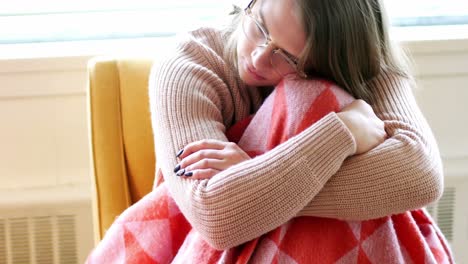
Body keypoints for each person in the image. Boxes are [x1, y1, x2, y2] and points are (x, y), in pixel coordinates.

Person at [149, 0, 444, 251]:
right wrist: (342, 131)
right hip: (198, 249)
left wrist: (253, 179)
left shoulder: (359, 64)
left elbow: (421, 174)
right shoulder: (187, 64)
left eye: (289, 57)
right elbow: (214, 216)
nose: (258, 57)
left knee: (315, 94)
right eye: (260, 27)